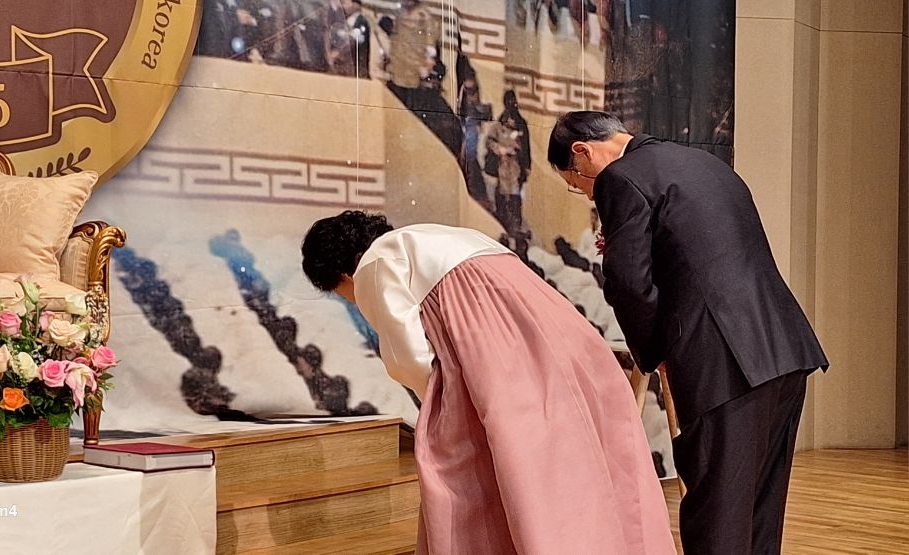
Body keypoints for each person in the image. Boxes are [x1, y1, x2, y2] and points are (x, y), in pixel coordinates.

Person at [301, 210, 675, 554]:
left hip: (499, 367)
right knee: (570, 468)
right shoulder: (449, 235)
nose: (352, 301)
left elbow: (407, 356)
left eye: (343, 295)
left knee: (482, 472)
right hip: (564, 344)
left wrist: (441, 401)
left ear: (341, 275)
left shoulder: (376, 261)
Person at [547, 110, 829, 555]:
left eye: (576, 182)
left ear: (582, 152)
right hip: (784, 346)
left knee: (717, 516)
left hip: (722, 360)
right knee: (760, 509)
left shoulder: (620, 177)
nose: (586, 192)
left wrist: (655, 352)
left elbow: (629, 282)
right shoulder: (705, 163)